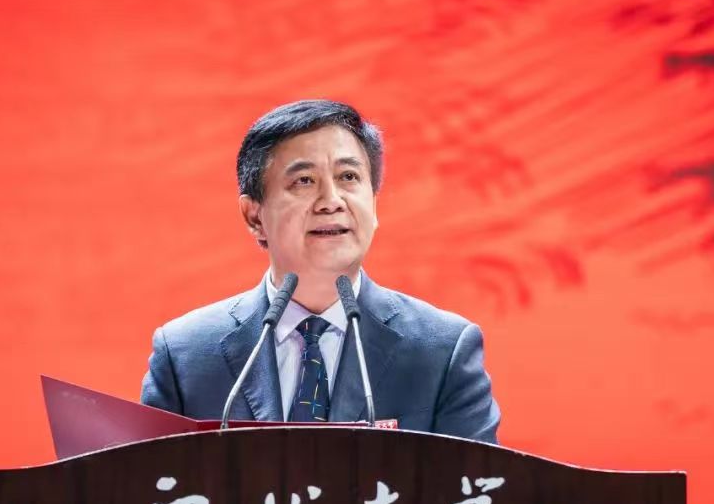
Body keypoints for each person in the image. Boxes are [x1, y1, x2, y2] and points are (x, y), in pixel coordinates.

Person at [140, 100, 500, 444]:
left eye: (348, 177)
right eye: (304, 181)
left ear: (374, 204)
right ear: (254, 216)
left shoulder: (442, 352)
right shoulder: (186, 355)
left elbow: (475, 485)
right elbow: (152, 483)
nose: (331, 201)